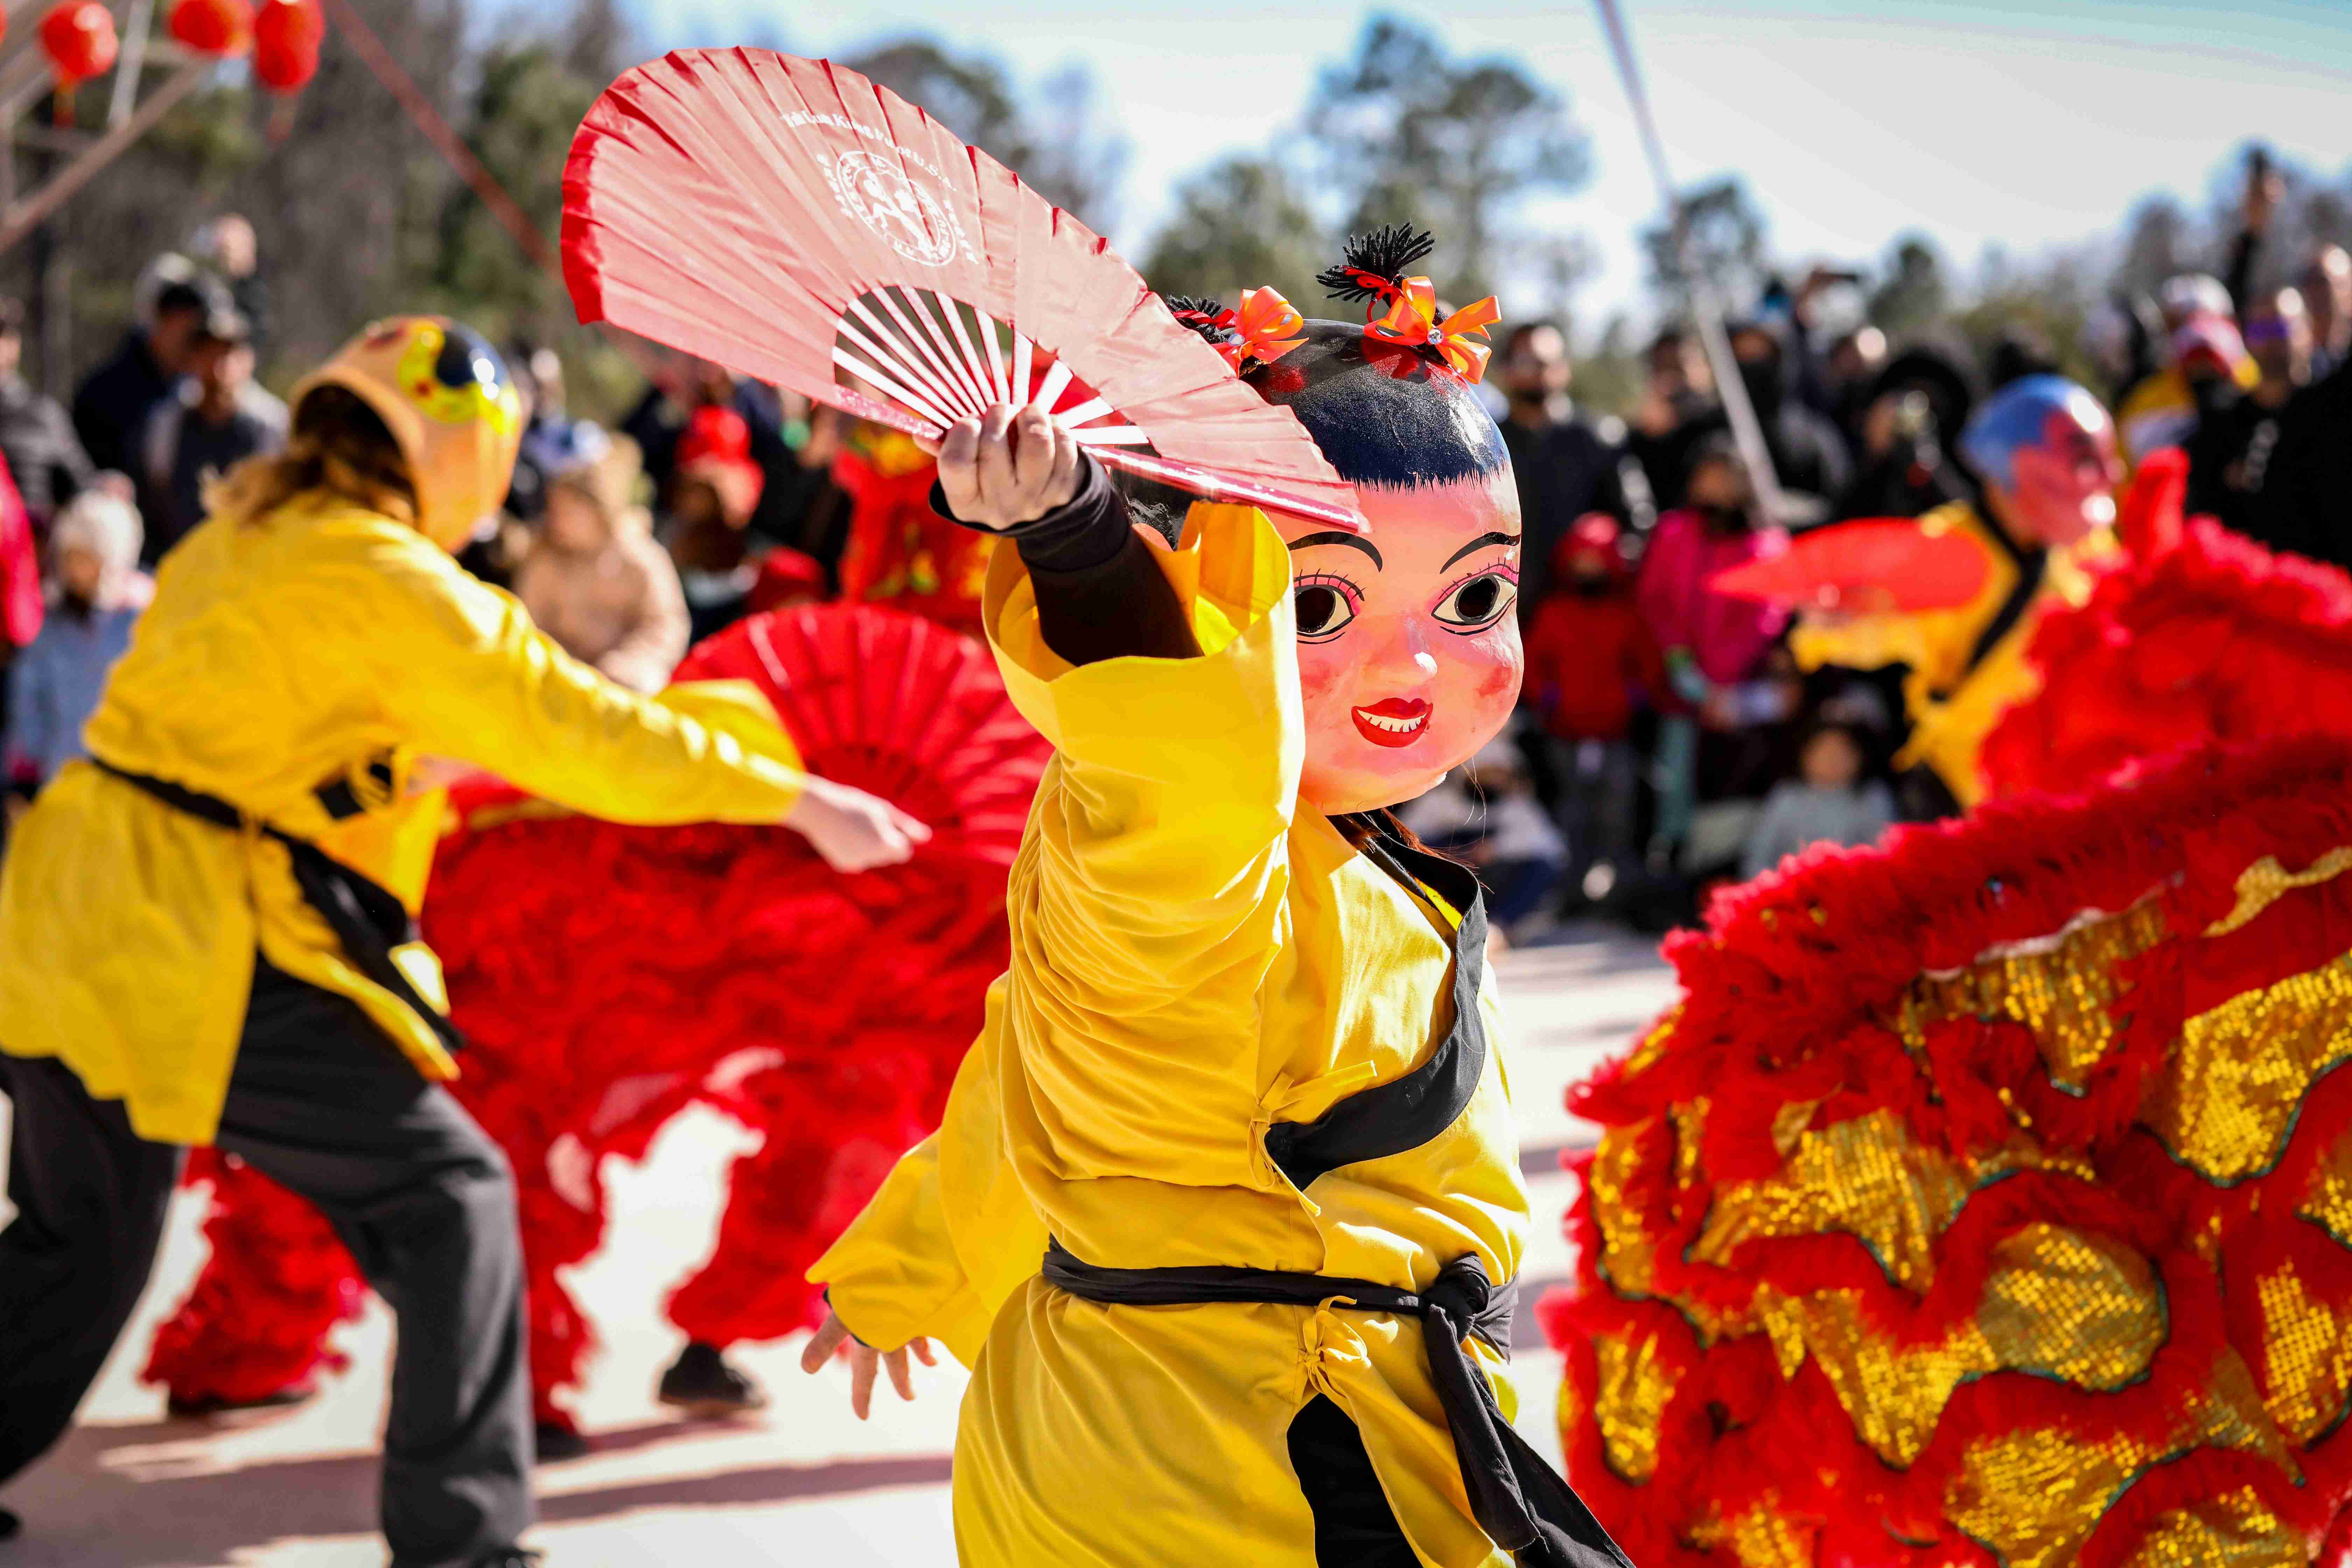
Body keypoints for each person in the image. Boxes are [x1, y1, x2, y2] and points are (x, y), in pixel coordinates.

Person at [0, 316, 926, 1566]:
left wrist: (389, 760)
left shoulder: (242, 536)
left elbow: (226, 737)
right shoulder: (395, 578)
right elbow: (592, 730)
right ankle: (465, 1545)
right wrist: (800, 799)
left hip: (65, 905)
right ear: (460, 461)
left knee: (81, 1231)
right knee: (450, 1198)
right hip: (191, 933)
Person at [804, 235, 1630, 1568]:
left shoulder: (1332, 851)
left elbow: (1023, 1075)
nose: (1411, 660)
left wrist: (903, 1263)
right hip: (1241, 1456)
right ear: (1221, 609)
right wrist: (1082, 546)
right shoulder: (1196, 841)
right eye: (1317, 604)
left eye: (1472, 594)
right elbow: (1178, 749)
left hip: (1162, 1427)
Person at [1783, 375, 2124, 810]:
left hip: (2079, 783)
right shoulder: (1942, 553)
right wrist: (1828, 622)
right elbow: (1870, 625)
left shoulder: (2090, 542)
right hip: (1976, 799)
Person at [1522, 514, 1658, 905]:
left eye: (1596, 560)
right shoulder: (1553, 612)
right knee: (1570, 812)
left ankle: (1618, 894)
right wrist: (1547, 699)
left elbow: (1646, 665)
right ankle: (1569, 892)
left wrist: (1634, 700)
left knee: (1618, 812)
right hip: (1564, 732)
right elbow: (1533, 662)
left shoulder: (1625, 614)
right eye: (1581, 560)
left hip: (1616, 733)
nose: (1589, 569)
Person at [512, 432, 689, 694]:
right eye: (555, 509)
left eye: (569, 511)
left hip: (612, 688)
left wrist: (626, 666)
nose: (558, 520)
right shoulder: (546, 557)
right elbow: (524, 620)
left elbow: (665, 625)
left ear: (598, 511)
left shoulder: (640, 560)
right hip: (549, 680)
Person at [4, 491, 147, 793]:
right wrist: (23, 776)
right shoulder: (52, 626)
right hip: (61, 777)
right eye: (70, 556)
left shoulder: (141, 620)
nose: (75, 569)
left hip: (126, 779)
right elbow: (29, 701)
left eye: (86, 558)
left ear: (111, 558)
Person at [1494, 320, 1635, 617]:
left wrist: (1603, 553)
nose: (1539, 370)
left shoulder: (1602, 438)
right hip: (1501, 611)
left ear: (1565, 368)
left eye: (1548, 362)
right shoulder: (1485, 443)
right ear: (1505, 369)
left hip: (1583, 620)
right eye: (1527, 361)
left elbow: (1637, 527)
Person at [138, 306, 287, 561]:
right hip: (180, 562)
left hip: (252, 563)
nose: (219, 368)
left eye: (228, 354)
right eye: (209, 354)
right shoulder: (168, 425)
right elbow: (155, 497)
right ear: (193, 359)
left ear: (248, 360)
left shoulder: (271, 426)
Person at [2186, 286, 2316, 550]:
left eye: (2281, 328)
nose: (2271, 342)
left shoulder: (2333, 414)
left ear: (2309, 332)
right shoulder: (2221, 426)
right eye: (2261, 331)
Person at [71, 275, 217, 477]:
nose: (197, 345)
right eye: (192, 334)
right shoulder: (106, 391)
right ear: (164, 321)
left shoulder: (196, 388)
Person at [1737, 694, 1895, 879]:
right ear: (1805, 755)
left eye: (1841, 752)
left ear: (1861, 757)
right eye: (1823, 750)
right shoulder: (1786, 797)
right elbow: (1757, 857)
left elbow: (1884, 859)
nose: (1831, 760)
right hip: (1790, 895)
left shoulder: (1873, 797)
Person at [664, 405, 768, 643]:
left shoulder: (731, 535)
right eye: (688, 486)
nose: (689, 499)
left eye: (701, 490)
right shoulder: (676, 526)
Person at [0, 299, 95, 529]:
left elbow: (84, 491)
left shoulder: (42, 416)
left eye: (3, 333)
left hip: (26, 557)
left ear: (15, 344)